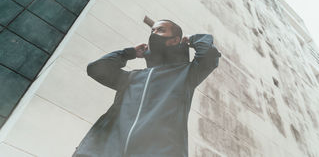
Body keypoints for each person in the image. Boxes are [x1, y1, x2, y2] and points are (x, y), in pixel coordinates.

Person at [72, 19, 222, 157]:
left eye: (161, 30)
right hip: (105, 151)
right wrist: (129, 53)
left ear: (175, 40)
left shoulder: (185, 75)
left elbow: (209, 56)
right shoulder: (131, 78)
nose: (154, 34)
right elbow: (96, 69)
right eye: (153, 31)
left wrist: (190, 39)